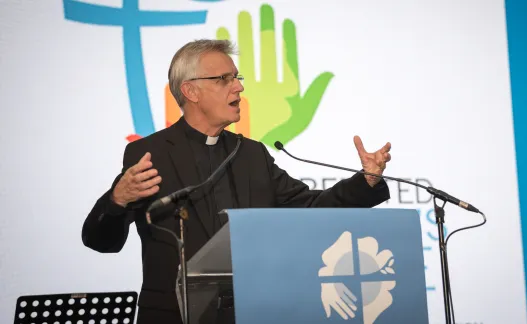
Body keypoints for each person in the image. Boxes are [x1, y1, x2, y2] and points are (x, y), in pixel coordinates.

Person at [81, 39, 392, 324]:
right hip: (174, 316)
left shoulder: (251, 153)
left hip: (251, 314)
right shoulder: (150, 153)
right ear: (191, 91)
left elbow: (309, 206)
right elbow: (102, 242)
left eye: (236, 78)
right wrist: (117, 201)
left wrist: (366, 181)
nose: (238, 88)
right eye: (223, 79)